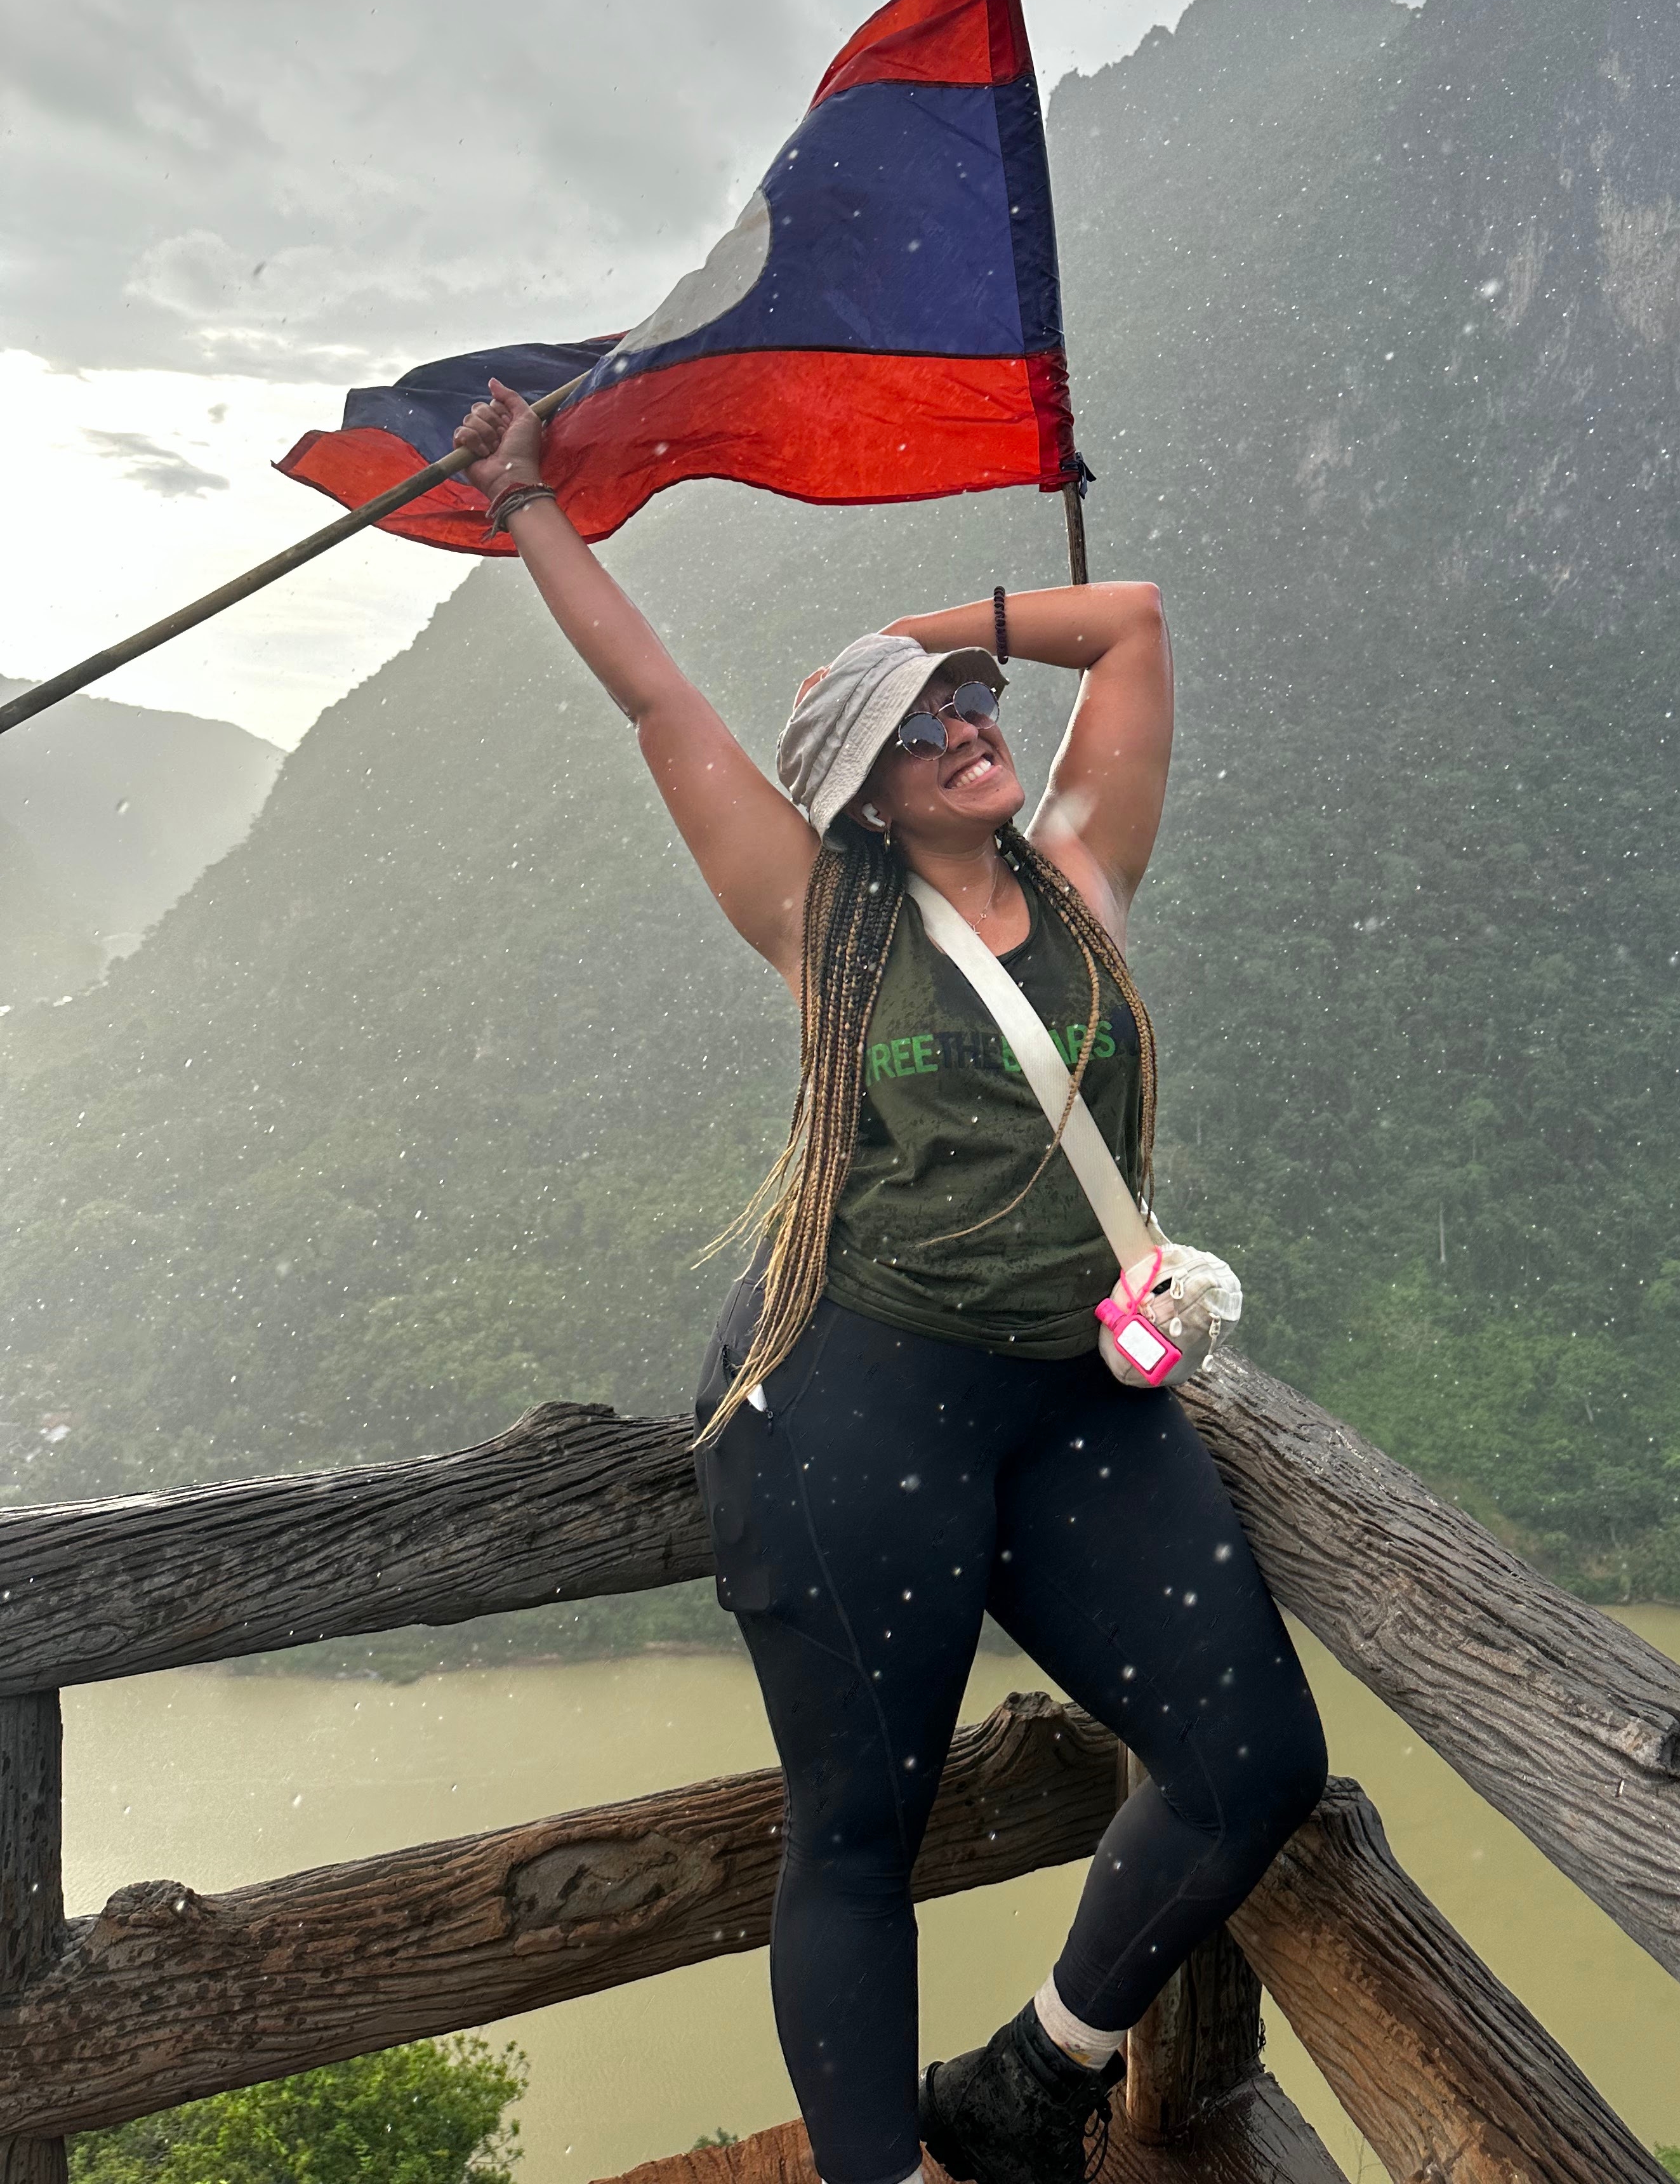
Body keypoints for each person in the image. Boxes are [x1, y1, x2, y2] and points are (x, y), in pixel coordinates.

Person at [450, 381, 1328, 2184]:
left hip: (1079, 1396)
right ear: (854, 790)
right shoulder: (819, 913)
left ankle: (1037, 2076)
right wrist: (531, 505)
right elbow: (656, 700)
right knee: (862, 1828)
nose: (963, 729)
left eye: (973, 709)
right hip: (858, 1403)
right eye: (917, 728)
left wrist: (909, 636)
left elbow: (1134, 620)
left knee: (1253, 1759)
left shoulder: (1082, 870)